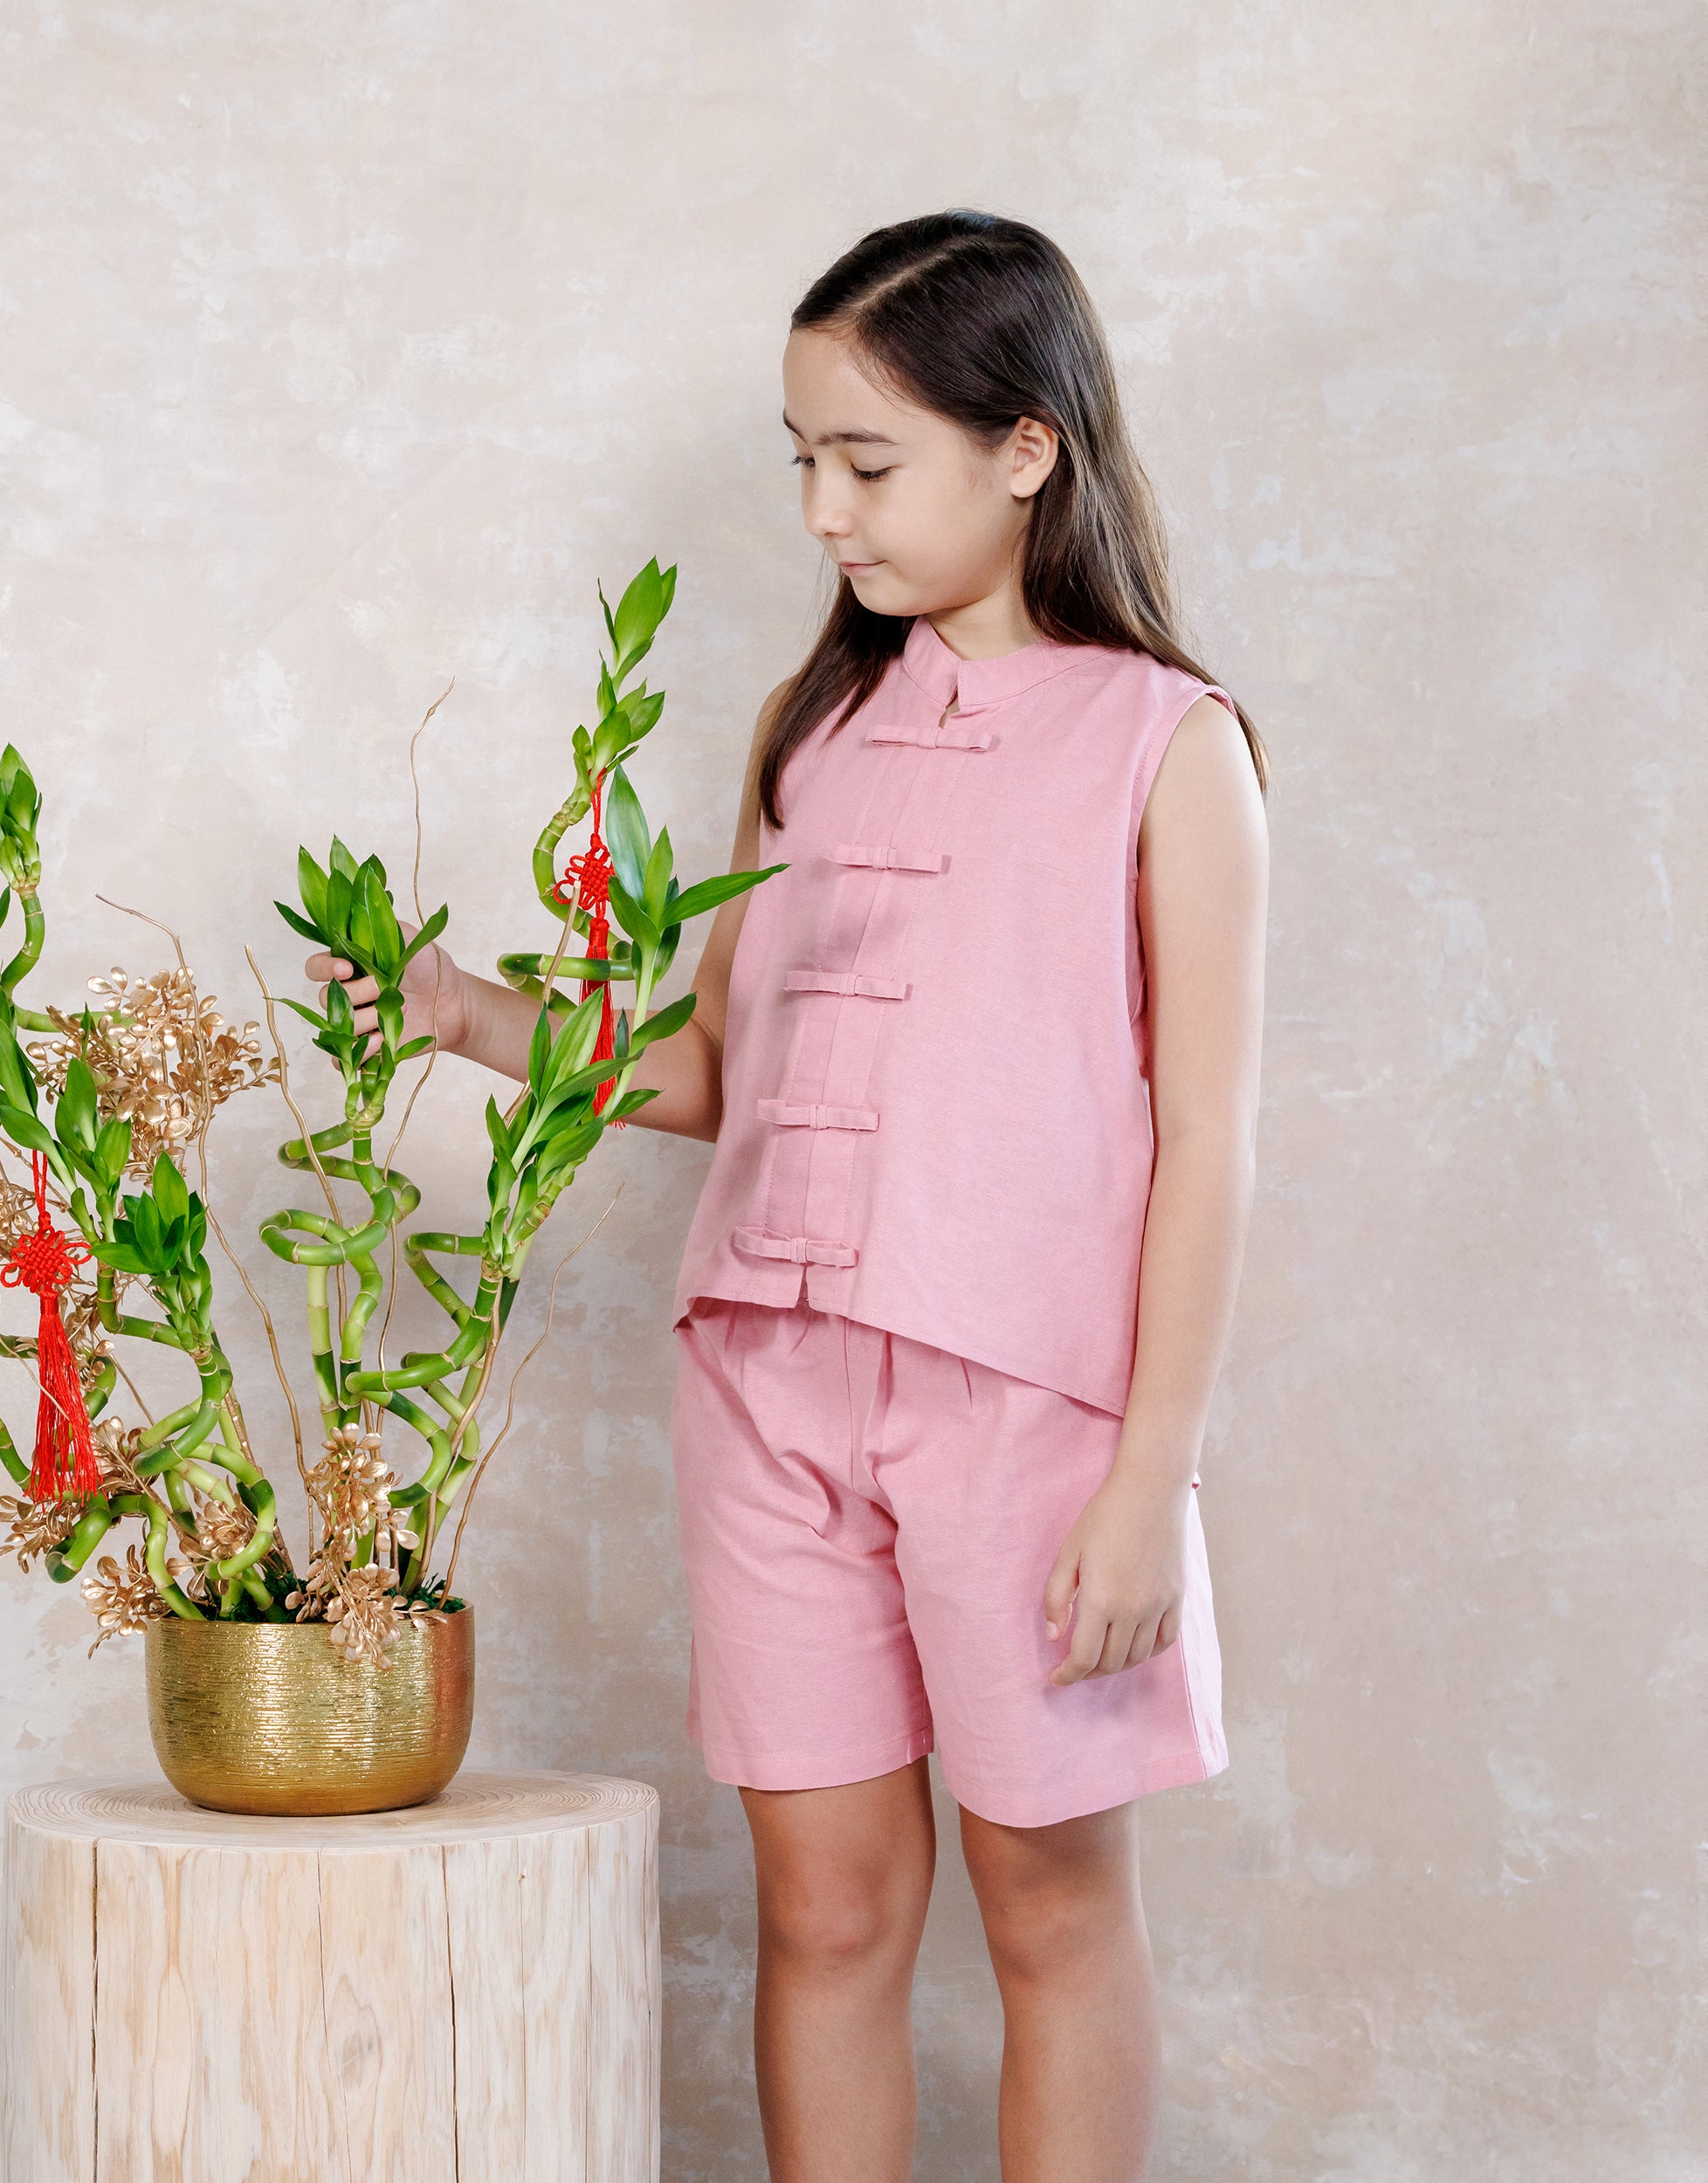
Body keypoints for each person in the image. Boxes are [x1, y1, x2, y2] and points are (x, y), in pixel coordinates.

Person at [306, 210, 1271, 2183]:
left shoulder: (1167, 749)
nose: (822, 510)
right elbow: (723, 1071)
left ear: (1026, 449)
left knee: (1044, 1908)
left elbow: (1206, 1145)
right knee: (824, 1907)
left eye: (866, 459)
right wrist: (467, 1013)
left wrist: (1145, 1477)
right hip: (763, 1381)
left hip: (1025, 1408)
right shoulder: (808, 731)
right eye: (800, 459)